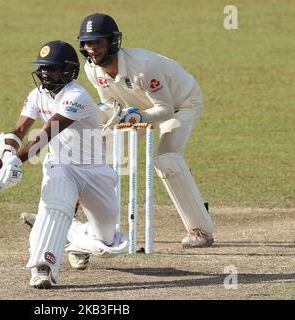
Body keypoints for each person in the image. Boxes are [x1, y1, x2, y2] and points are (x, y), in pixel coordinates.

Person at [0, 40, 128, 289]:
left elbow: (47, 133)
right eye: (42, 68)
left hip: (93, 170)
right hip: (60, 165)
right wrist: (7, 151)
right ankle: (43, 267)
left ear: (68, 70)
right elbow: (20, 128)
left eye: (51, 68)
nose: (44, 73)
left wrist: (16, 160)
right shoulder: (37, 94)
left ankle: (69, 232)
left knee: (107, 244)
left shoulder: (76, 96)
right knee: (54, 208)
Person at [77, 13, 214, 248]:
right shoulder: (92, 69)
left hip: (181, 103)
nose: (93, 50)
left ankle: (201, 229)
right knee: (98, 151)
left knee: (166, 159)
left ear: (112, 42)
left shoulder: (142, 66)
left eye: (98, 43)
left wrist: (137, 116)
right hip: (139, 107)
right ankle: (69, 214)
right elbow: (111, 105)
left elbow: (165, 109)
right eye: (88, 44)